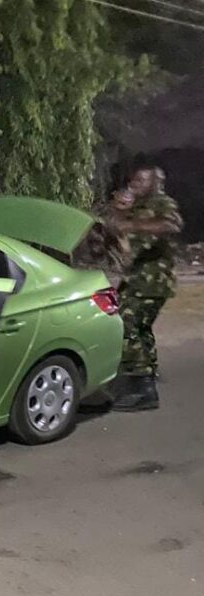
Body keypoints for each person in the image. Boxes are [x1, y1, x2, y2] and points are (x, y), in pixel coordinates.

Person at [110, 164, 184, 412]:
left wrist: (133, 225)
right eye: (134, 180)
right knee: (140, 327)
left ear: (155, 182)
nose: (135, 184)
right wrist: (119, 212)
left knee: (126, 324)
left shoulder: (162, 203)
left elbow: (172, 225)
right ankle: (146, 374)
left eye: (142, 180)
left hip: (153, 281)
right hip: (136, 279)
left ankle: (143, 388)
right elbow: (118, 236)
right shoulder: (136, 207)